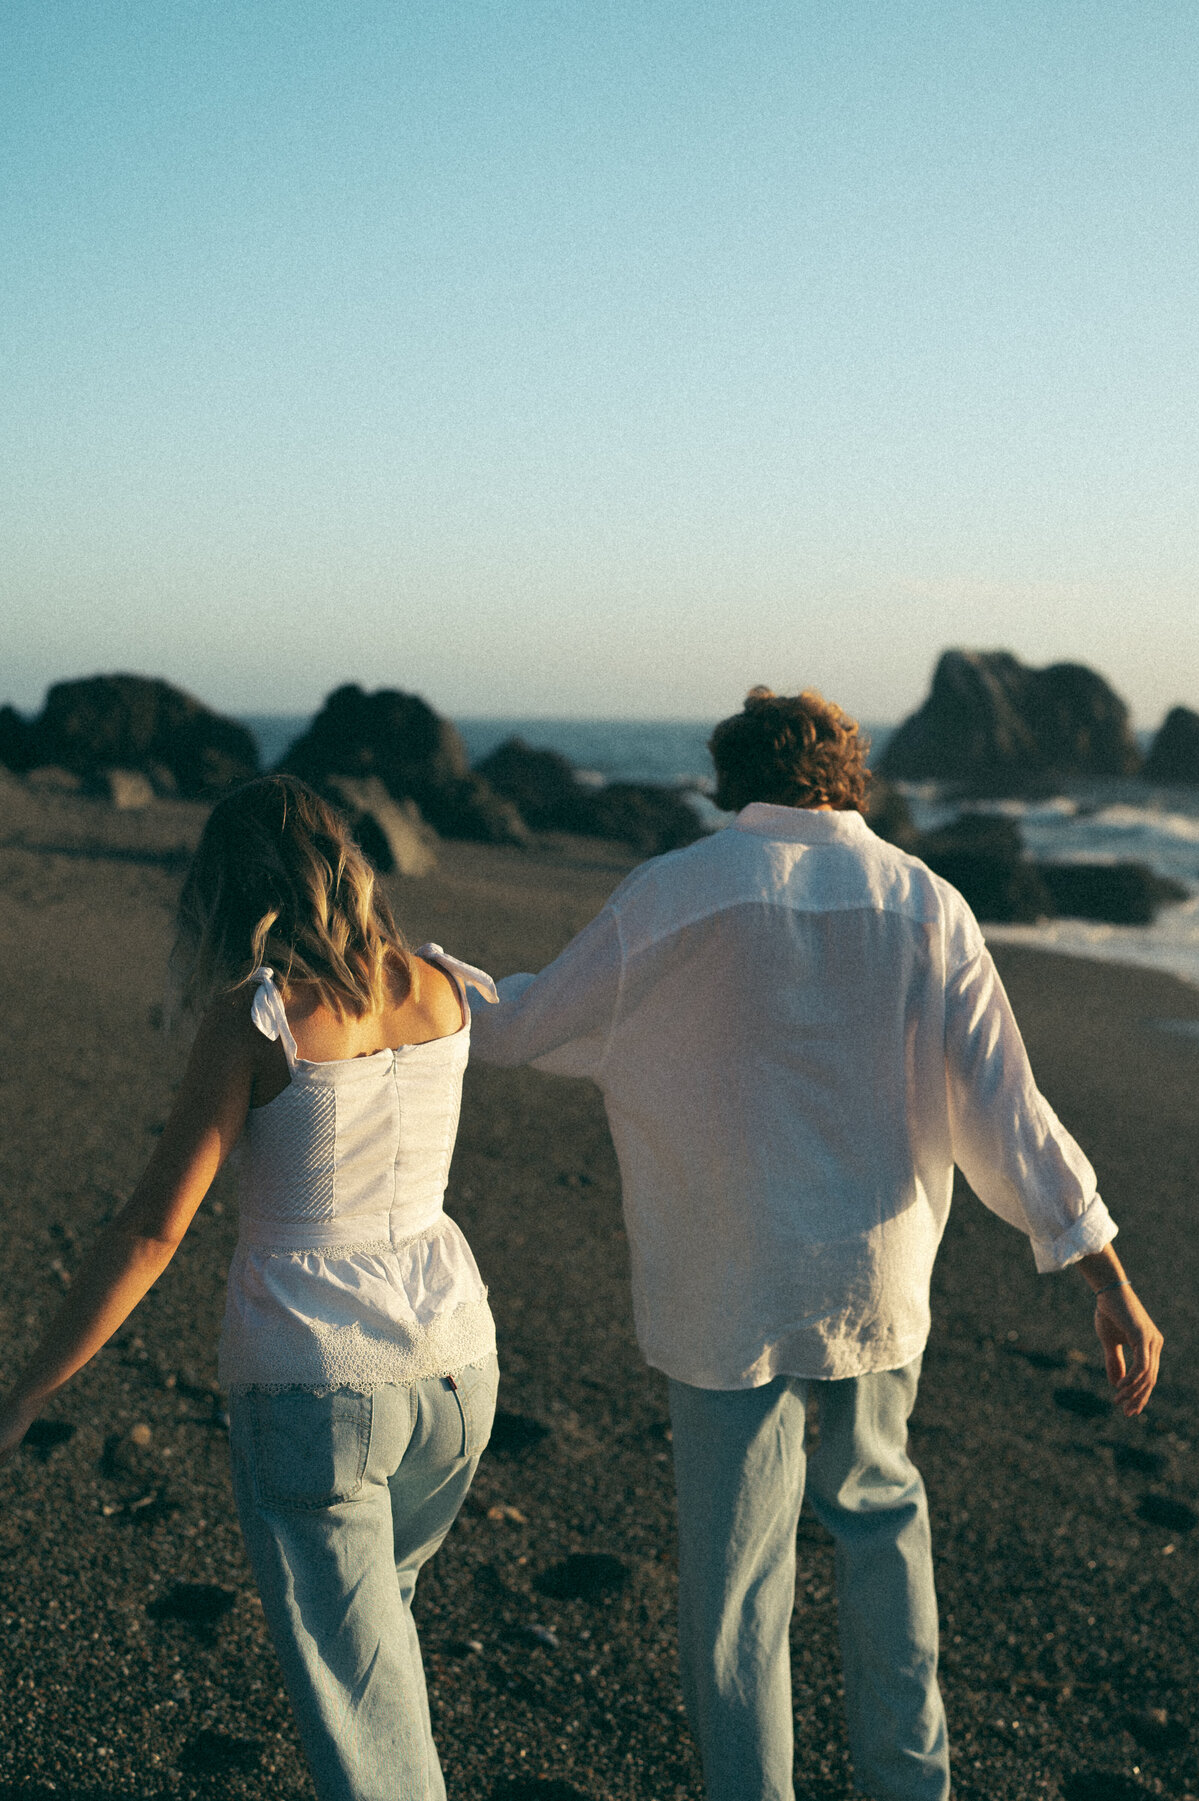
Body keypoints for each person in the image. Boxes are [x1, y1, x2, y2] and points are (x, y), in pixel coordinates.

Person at [467, 687, 1164, 1801]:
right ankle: (910, 1783)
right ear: (848, 776)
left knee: (739, 1587)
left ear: (729, 777)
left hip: (728, 1290)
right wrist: (1107, 1276)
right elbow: (1008, 1110)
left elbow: (524, 1021)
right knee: (883, 1525)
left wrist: (407, 981)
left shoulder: (676, 891)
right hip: (874, 1286)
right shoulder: (927, 903)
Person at [0, 774, 499, 1801]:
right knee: (381, 1642)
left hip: (319, 1385)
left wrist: (29, 1394)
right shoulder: (443, 988)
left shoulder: (261, 1017)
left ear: (231, 891)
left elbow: (152, 1230)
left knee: (367, 1728)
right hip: (459, 1371)